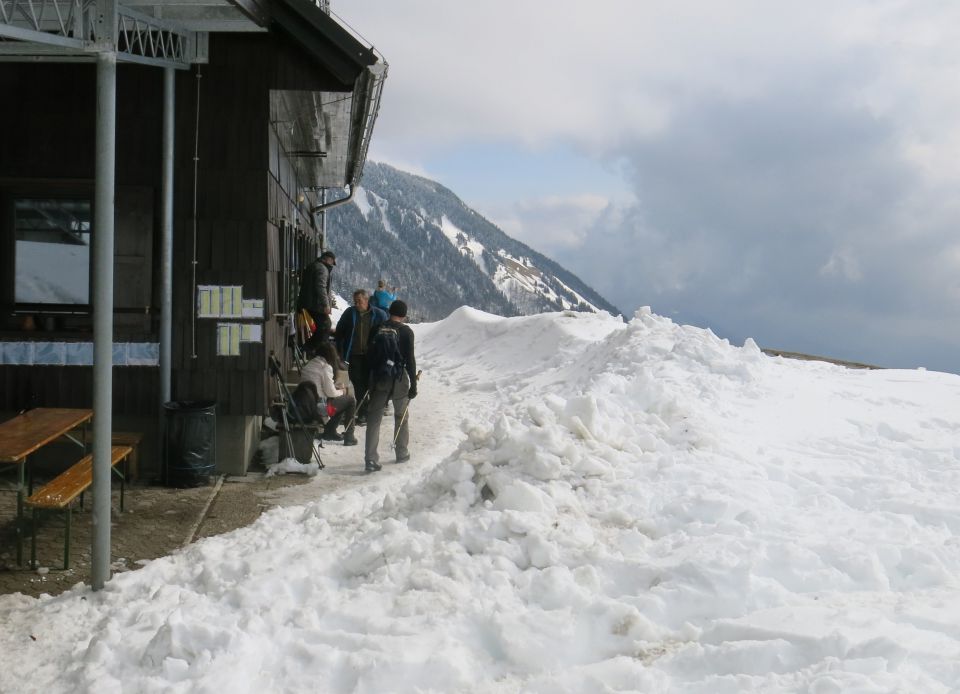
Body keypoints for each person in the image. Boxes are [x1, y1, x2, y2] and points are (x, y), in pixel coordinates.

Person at [364, 300, 417, 472]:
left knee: (375, 418)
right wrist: (413, 384)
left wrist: (369, 380)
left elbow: (369, 355)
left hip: (380, 377)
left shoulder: (377, 328)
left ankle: (370, 458)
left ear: (389, 312)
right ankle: (401, 452)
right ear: (404, 315)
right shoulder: (406, 332)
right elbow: (410, 360)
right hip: (399, 379)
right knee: (401, 415)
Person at [335, 289, 388, 425]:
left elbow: (386, 333)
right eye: (355, 301)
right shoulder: (350, 313)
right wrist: (339, 350)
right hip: (354, 355)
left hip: (372, 355)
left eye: (359, 301)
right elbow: (340, 331)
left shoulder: (379, 315)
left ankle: (372, 409)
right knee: (358, 383)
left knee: (370, 383)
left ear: (366, 300)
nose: (357, 304)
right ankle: (363, 413)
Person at [300, 342, 358, 445]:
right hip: (319, 409)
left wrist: (336, 390)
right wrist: (342, 391)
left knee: (339, 401)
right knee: (350, 400)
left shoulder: (309, 365)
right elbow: (331, 393)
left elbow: (321, 388)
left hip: (305, 406)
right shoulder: (325, 367)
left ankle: (330, 431)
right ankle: (349, 436)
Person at [296, 250, 337, 351]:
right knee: (325, 325)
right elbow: (321, 287)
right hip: (315, 305)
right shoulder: (322, 269)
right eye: (332, 262)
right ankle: (314, 350)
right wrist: (326, 305)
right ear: (328, 259)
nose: (332, 265)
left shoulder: (313, 265)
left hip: (306, 303)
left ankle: (308, 347)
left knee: (318, 327)